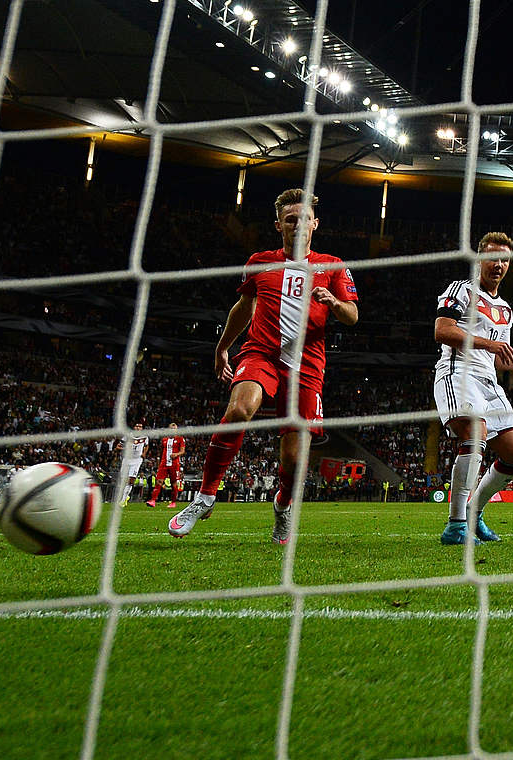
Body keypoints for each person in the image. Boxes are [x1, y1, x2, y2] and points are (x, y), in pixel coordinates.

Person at [168, 188, 359, 543]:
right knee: (240, 408)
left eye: (304, 218)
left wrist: (333, 301)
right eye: (290, 219)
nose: (298, 225)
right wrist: (223, 347)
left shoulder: (332, 265)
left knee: (294, 458)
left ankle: (283, 506)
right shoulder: (260, 261)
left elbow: (352, 316)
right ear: (278, 225)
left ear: (315, 224)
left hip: (307, 365)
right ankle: (205, 497)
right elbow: (243, 308)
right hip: (260, 353)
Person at [434, 232, 513, 545]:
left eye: (505, 259)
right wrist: (488, 343)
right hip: (458, 372)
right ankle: (455, 527)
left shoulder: (505, 309)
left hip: (489, 382)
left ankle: (474, 513)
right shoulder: (461, 290)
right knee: (476, 435)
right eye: (493, 257)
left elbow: (503, 361)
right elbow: (442, 331)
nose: (499, 264)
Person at [147, 423, 185, 509]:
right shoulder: (164, 439)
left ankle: (173, 502)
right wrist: (159, 461)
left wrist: (176, 454)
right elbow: (162, 451)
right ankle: (152, 500)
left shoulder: (180, 439)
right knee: (159, 481)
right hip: (164, 464)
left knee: (173, 483)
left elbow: (182, 451)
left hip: (174, 464)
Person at [115, 423, 148, 506]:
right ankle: (124, 497)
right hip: (127, 459)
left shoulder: (145, 437)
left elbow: (146, 446)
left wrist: (144, 453)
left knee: (131, 479)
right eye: (137, 426)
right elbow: (117, 447)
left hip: (137, 460)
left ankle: (123, 499)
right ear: (134, 427)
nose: (138, 428)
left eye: (140, 426)